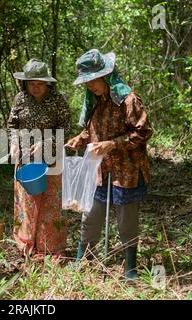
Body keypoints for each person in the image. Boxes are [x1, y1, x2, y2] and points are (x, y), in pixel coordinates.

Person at [65, 49, 153, 280]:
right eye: (87, 81)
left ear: (106, 76)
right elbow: (91, 130)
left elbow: (144, 132)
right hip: (100, 170)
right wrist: (81, 138)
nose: (91, 85)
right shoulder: (94, 100)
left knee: (126, 219)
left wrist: (114, 144)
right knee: (90, 215)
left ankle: (130, 268)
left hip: (127, 169)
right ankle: (81, 260)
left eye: (95, 79)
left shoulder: (128, 100)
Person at [7, 58, 71, 259]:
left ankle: (49, 248)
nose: (35, 88)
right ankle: (26, 245)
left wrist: (47, 142)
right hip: (26, 160)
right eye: (31, 83)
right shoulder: (20, 99)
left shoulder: (57, 100)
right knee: (27, 202)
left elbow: (67, 129)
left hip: (52, 160)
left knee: (51, 204)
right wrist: (14, 142)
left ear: (47, 83)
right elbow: (12, 125)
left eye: (40, 83)